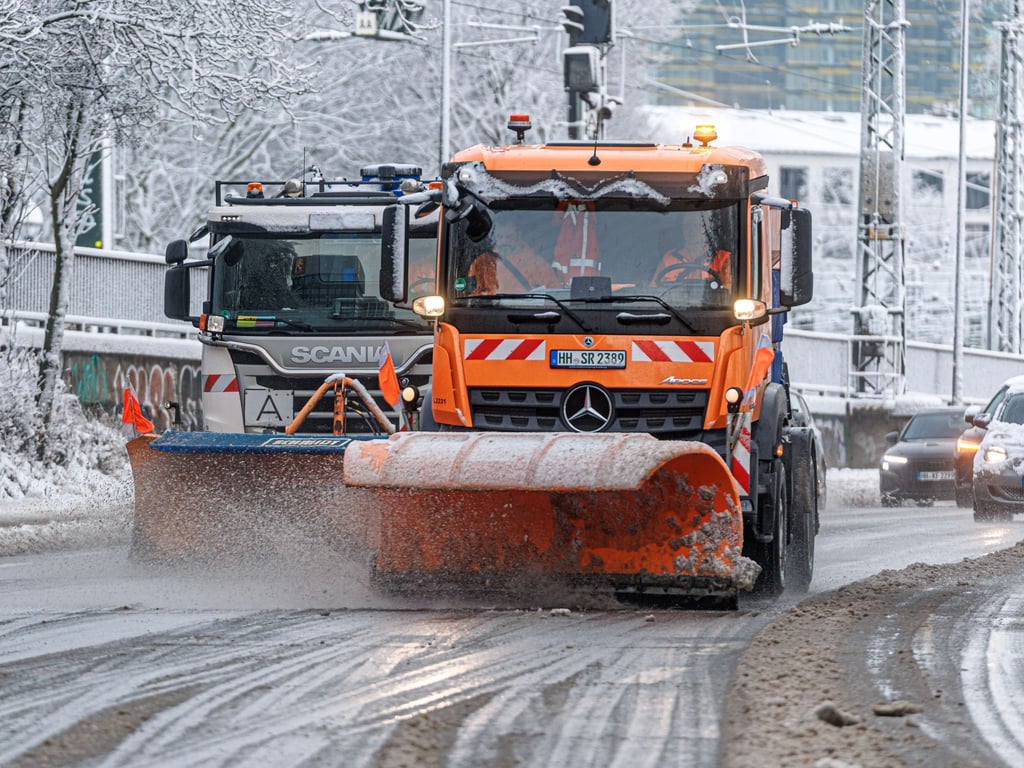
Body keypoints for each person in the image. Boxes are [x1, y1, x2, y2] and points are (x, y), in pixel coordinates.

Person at [468, 217, 556, 295]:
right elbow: (470, 293)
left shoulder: (535, 263)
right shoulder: (483, 261)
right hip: (490, 308)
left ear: (518, 235)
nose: (504, 242)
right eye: (500, 236)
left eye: (509, 236)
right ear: (494, 237)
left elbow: (554, 292)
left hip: (524, 308)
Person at [652, 219, 732, 291]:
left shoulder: (722, 259)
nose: (691, 232)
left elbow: (728, 293)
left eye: (696, 226)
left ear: (706, 229)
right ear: (683, 230)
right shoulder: (669, 257)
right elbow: (652, 289)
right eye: (687, 227)